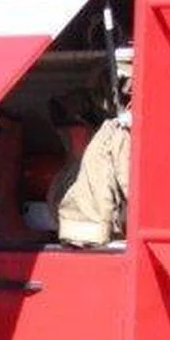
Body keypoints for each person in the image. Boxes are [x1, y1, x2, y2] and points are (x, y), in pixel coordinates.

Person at [51, 47, 135, 248]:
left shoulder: (102, 133)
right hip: (97, 229)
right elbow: (132, 186)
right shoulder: (116, 132)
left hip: (74, 224)